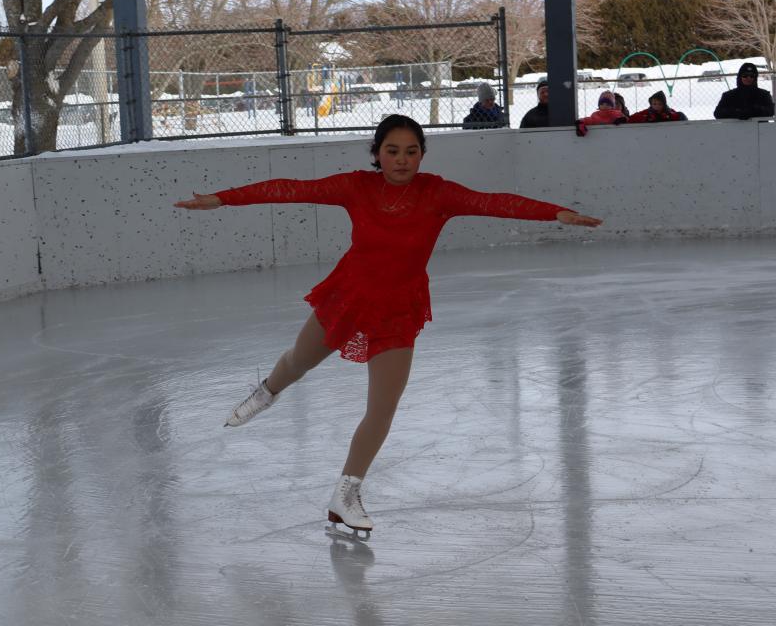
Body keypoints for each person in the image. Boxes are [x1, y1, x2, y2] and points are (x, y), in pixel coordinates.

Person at [174, 114, 603, 538]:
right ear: (377, 154)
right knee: (298, 362)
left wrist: (556, 213)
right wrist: (223, 198)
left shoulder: (438, 194)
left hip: (399, 310)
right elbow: (290, 189)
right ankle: (267, 391)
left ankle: (346, 493)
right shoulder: (357, 187)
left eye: (412, 152)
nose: (402, 160)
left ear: (422, 155)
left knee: (382, 408)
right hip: (349, 297)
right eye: (392, 151)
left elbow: (495, 202)